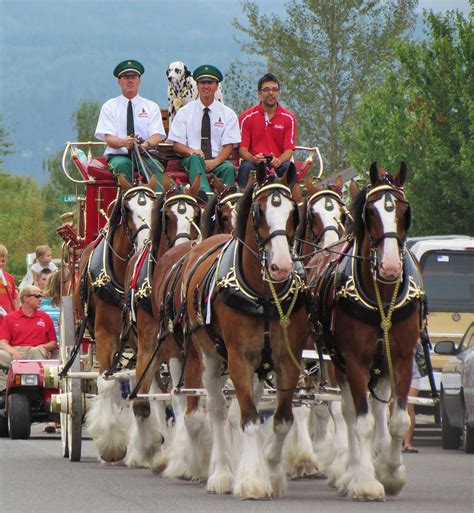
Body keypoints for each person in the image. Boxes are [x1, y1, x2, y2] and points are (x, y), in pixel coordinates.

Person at [167, 64, 241, 195]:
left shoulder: (228, 114)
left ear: (217, 86)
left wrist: (215, 162)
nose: (206, 86)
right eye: (202, 82)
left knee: (228, 168)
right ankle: (204, 197)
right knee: (196, 158)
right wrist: (191, 151)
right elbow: (177, 145)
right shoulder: (184, 112)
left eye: (210, 83)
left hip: (217, 160)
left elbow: (229, 147)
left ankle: (227, 201)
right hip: (191, 160)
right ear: (197, 85)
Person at [95, 59, 166, 188]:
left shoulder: (151, 107)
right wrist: (123, 142)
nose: (130, 81)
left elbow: (156, 136)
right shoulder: (109, 107)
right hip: (118, 155)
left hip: (144, 155)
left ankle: (158, 204)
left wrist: (145, 145)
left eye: (133, 77)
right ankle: (126, 204)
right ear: (119, 82)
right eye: (126, 78)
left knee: (153, 167)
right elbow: (109, 139)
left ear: (139, 81)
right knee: (123, 165)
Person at [0, 286, 57, 410]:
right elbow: (3, 342)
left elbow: (53, 343)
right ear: (26, 298)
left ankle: (40, 391)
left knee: (37, 352)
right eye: (37, 296)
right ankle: (3, 391)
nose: (41, 299)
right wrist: (13, 352)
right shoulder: (10, 317)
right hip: (16, 351)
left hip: (38, 350)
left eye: (41, 296)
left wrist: (42, 346)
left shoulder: (44, 317)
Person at [237, 73, 297, 188]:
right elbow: (242, 150)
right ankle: (241, 201)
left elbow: (289, 150)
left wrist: (278, 160)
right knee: (245, 167)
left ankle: (293, 202)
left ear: (279, 94)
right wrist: (253, 158)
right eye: (266, 90)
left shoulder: (289, 118)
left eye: (274, 90)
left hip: (278, 162)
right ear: (259, 94)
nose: (271, 93)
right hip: (255, 163)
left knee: (288, 167)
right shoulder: (247, 117)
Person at [403, 344, 423, 453]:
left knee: (409, 408)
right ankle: (394, 441)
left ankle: (407, 443)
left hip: (412, 373)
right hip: (391, 374)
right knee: (391, 408)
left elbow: (420, 349)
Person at [0, 245, 18, 328]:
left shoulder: (9, 278)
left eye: (3, 261)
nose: (1, 263)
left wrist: (17, 315)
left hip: (6, 319)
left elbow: (14, 299)